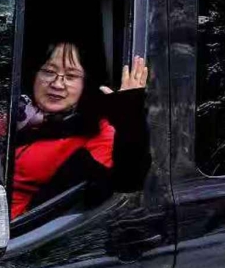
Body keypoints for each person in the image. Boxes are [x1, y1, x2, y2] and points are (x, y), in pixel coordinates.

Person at [10, 41, 149, 218]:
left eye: (71, 76)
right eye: (49, 72)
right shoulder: (15, 110)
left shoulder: (97, 131)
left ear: (85, 84)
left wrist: (128, 109)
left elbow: (128, 180)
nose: (57, 84)